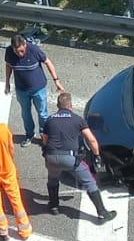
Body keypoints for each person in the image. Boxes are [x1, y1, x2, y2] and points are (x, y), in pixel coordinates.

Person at [38, 92, 115, 223]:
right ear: (71, 106)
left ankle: (54, 205)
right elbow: (91, 140)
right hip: (69, 158)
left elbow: (45, 139)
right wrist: (97, 156)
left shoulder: (50, 120)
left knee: (53, 179)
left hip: (51, 157)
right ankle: (102, 213)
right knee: (89, 182)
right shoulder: (77, 120)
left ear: (58, 106)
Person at [3, 32, 60, 143]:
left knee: (43, 114)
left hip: (38, 89)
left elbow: (47, 62)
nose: (19, 54)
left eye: (21, 51)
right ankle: (29, 134)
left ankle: (44, 136)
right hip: (21, 90)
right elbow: (8, 66)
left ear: (25, 45)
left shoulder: (34, 50)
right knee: (25, 114)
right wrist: (7, 82)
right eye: (16, 51)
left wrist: (56, 80)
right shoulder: (9, 52)